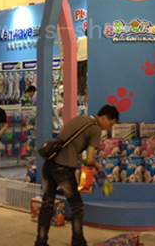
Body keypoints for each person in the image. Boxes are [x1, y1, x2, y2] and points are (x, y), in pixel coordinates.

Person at [35, 104, 119, 246]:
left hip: (49, 164)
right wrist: (98, 166)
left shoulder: (80, 119)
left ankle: (41, 241)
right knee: (77, 206)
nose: (109, 128)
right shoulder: (95, 129)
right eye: (110, 124)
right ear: (104, 118)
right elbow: (90, 159)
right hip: (63, 168)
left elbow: (69, 144)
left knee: (47, 204)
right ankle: (78, 242)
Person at [77, 29, 87, 97]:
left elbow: (75, 46)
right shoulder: (91, 41)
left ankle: (80, 91)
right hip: (86, 59)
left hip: (79, 59)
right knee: (84, 76)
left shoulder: (80, 39)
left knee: (78, 77)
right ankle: (83, 91)